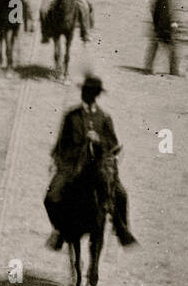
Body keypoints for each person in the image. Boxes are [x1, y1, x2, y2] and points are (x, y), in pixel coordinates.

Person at [46, 76, 136, 248]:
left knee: (121, 194)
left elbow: (113, 145)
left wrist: (99, 140)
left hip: (99, 166)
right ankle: (57, 230)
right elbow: (61, 143)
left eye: (88, 93)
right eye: (84, 92)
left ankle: (122, 229)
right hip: (72, 166)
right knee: (50, 198)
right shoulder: (71, 116)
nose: (84, 95)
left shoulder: (104, 118)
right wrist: (56, 159)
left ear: (95, 95)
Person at [145, 0, 182, 77]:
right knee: (173, 49)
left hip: (158, 26)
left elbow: (154, 10)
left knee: (154, 47)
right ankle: (174, 71)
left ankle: (148, 69)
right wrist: (173, 23)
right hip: (165, 27)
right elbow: (167, 13)